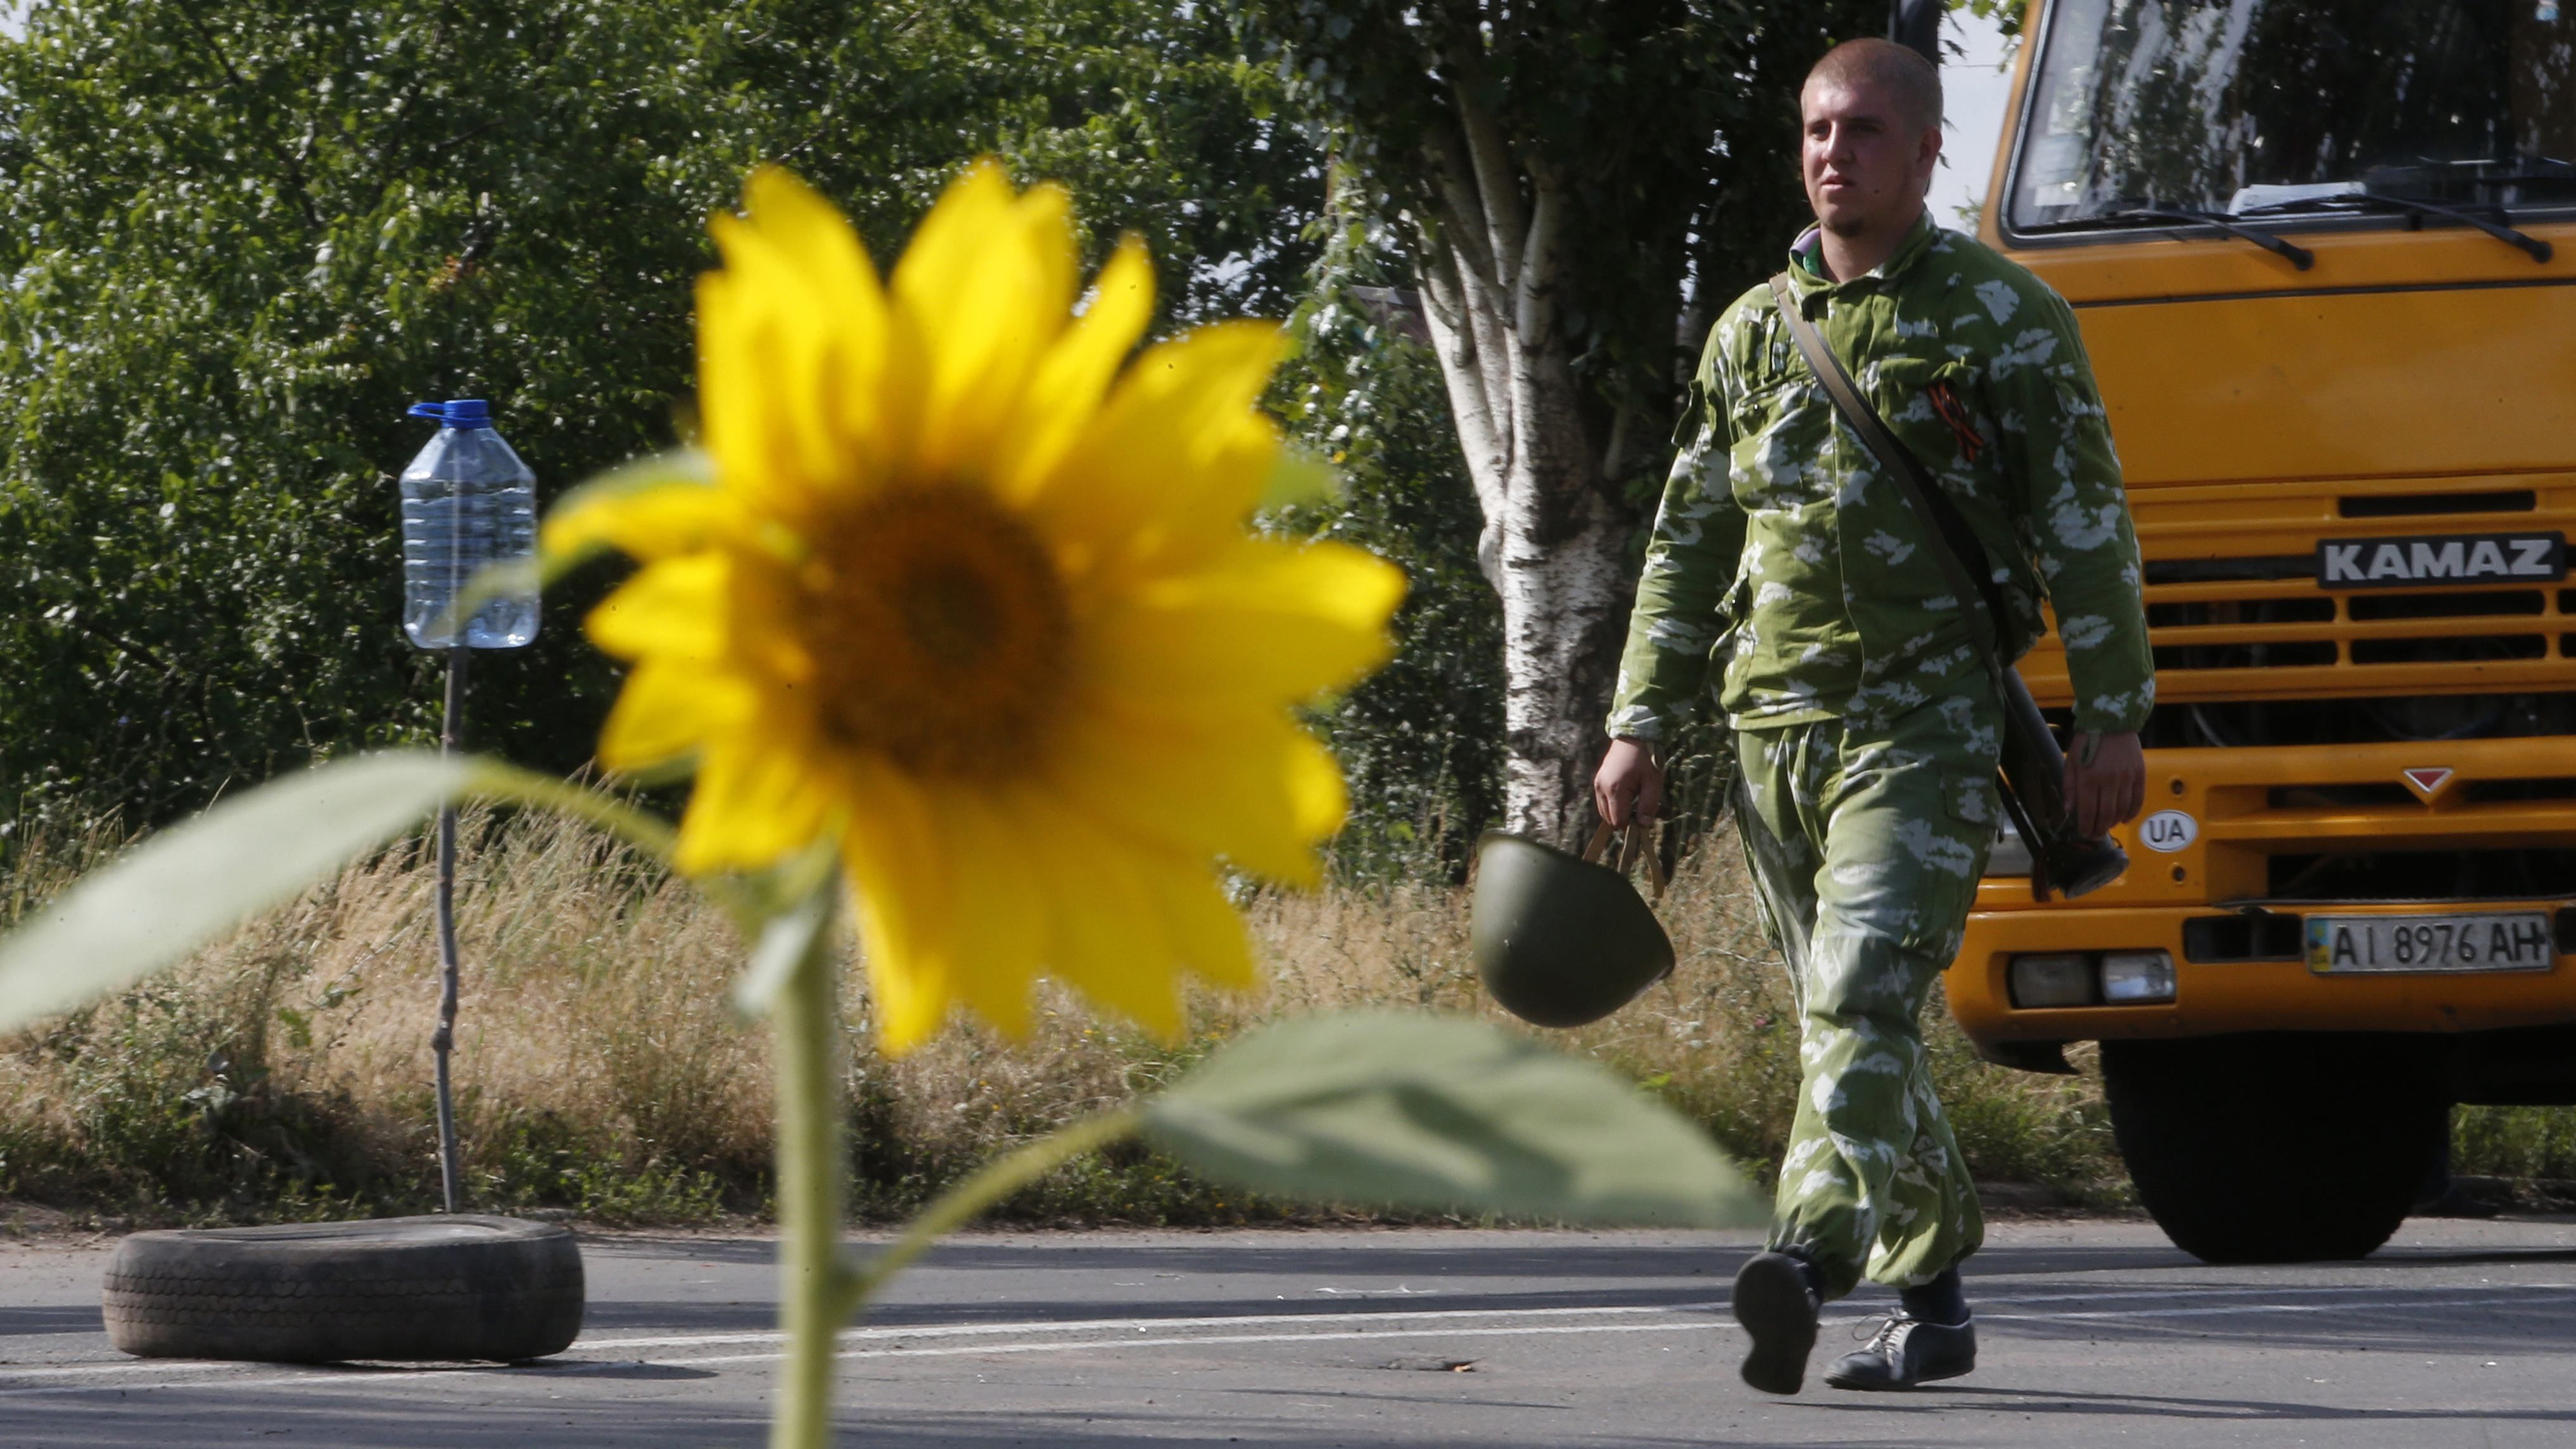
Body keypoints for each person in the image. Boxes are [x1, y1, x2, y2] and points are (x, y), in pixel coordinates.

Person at [1592, 37, 2153, 1394]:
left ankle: (1806, 1258)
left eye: (1861, 132)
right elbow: (1686, 542)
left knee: (1860, 995)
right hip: (1770, 728)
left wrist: (2116, 712)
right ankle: (1940, 1304)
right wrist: (1640, 720)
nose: (1832, 153)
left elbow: (2087, 528)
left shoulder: (2004, 318)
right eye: (1815, 131)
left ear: (1924, 153)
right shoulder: (1748, 332)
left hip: (1926, 724)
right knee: (1851, 1028)